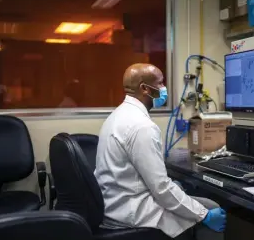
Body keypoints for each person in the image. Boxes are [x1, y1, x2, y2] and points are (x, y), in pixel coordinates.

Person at [94, 63, 226, 239]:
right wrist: (204, 215)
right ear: (144, 88)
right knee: (210, 207)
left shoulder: (117, 115)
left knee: (180, 190)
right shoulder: (142, 126)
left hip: (113, 204)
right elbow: (161, 188)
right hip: (132, 211)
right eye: (160, 83)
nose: (164, 88)